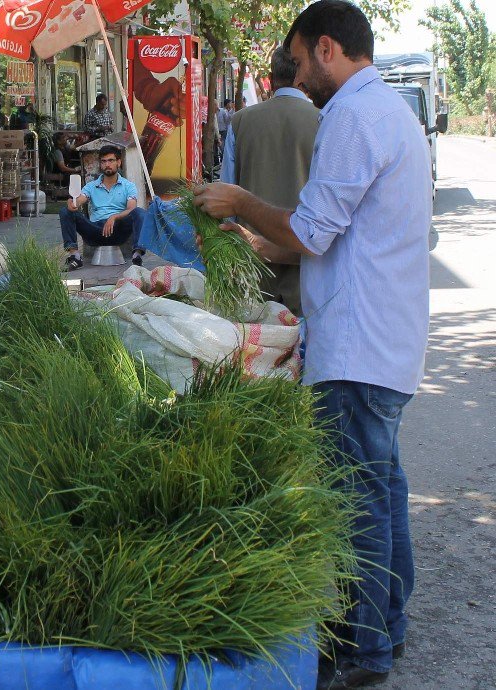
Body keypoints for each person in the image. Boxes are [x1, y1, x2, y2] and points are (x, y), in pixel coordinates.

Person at [193, 2, 431, 688]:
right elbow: (332, 235)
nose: (293, 74)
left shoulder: (355, 116)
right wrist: (256, 235)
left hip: (359, 347)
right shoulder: (390, 113)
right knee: (381, 488)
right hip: (384, 340)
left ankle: (364, 651)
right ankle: (387, 628)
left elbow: (313, 231)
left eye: (296, 60)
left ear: (327, 48)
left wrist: (239, 201)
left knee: (355, 494)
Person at [218, 47, 320, 316]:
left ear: (271, 78)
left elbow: (225, 199)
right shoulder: (324, 120)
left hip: (251, 275)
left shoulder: (241, 122)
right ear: (304, 75)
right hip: (307, 276)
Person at [59, 145, 145, 271]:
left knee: (140, 212)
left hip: (118, 230)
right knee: (65, 211)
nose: (107, 164)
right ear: (100, 164)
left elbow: (131, 209)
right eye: (103, 161)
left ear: (118, 162)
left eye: (111, 160)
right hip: (95, 231)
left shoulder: (128, 186)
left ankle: (137, 255)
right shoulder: (91, 186)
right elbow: (81, 199)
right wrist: (72, 202)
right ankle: (75, 256)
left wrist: (114, 217)